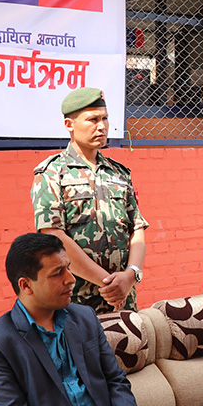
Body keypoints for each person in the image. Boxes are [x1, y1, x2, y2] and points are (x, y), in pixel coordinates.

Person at [0, 233, 184, 406]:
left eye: (68, 269)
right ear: (26, 285)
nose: (71, 280)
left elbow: (115, 381)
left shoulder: (84, 317)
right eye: (57, 273)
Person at [32, 87, 149, 313]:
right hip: (74, 301)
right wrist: (108, 283)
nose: (102, 126)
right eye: (93, 119)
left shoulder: (119, 173)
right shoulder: (52, 173)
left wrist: (130, 276)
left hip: (123, 299)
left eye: (105, 118)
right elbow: (52, 235)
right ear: (70, 125)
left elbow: (137, 228)